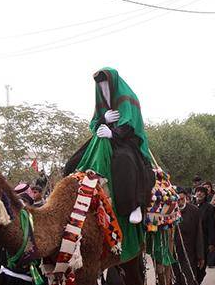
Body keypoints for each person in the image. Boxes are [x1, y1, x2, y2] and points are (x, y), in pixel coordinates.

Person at [64, 67, 155, 230]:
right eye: (100, 86)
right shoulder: (101, 102)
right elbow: (94, 124)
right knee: (74, 161)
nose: (103, 89)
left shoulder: (128, 97)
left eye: (106, 84)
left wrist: (113, 133)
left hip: (126, 140)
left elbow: (131, 124)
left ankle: (134, 205)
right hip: (101, 138)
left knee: (124, 160)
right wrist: (103, 120)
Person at [169, 188, 204, 285]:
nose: (179, 201)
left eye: (182, 198)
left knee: (189, 282)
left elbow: (199, 234)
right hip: (173, 253)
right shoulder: (169, 211)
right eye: (177, 199)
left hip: (190, 254)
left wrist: (200, 255)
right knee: (176, 283)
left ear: (187, 198)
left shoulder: (194, 211)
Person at [193, 186, 215, 285]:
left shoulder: (209, 208)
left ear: (205, 195)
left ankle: (198, 280)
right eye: (198, 191)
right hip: (192, 239)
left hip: (204, 239)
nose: (199, 194)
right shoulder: (191, 206)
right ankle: (193, 282)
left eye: (202, 192)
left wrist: (211, 243)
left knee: (203, 261)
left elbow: (211, 226)